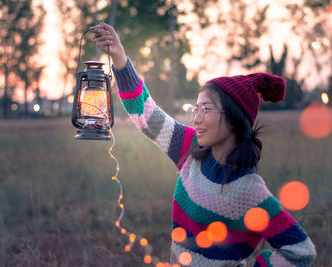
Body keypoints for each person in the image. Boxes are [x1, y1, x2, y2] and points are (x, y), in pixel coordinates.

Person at [91, 22, 316, 267]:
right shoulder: (188, 148)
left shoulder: (248, 190)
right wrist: (120, 58)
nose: (196, 118)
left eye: (206, 109)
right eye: (195, 109)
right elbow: (144, 112)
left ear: (233, 118)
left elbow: (301, 250)